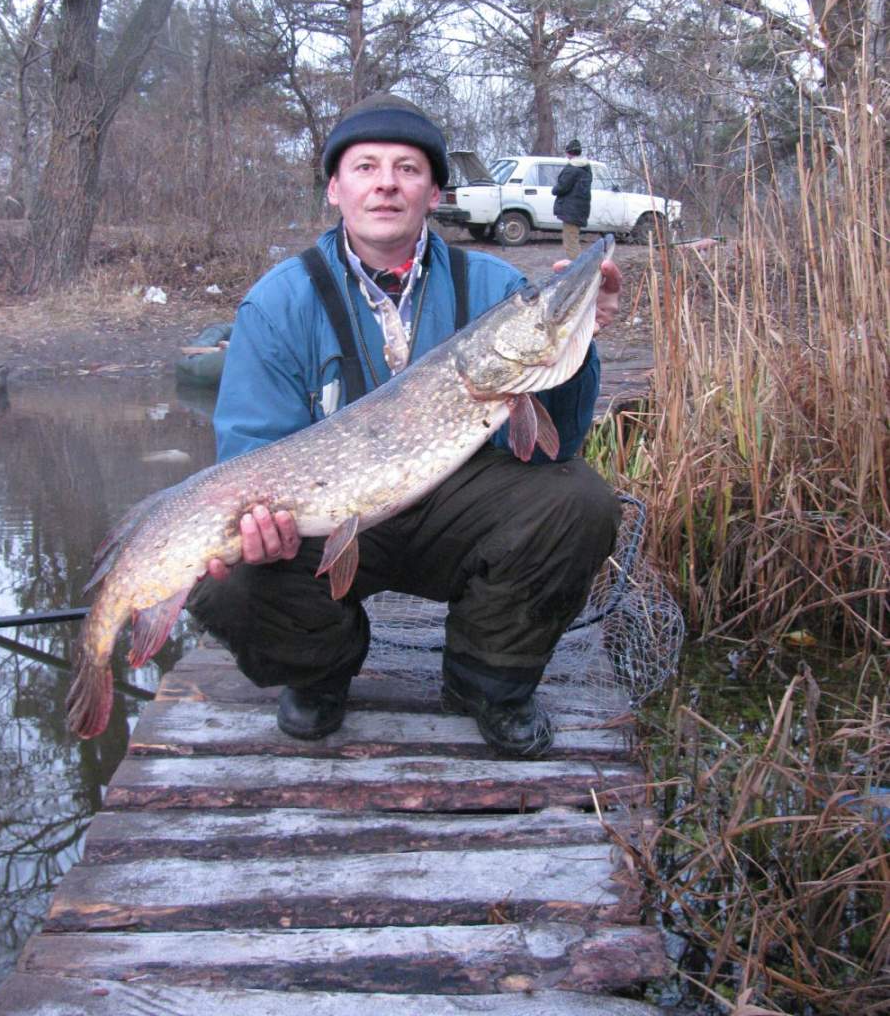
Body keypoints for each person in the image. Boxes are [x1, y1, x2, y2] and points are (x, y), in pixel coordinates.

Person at [187, 93, 623, 758]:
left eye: (408, 168)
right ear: (335, 188)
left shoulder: (499, 286)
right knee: (226, 576)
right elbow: (252, 447)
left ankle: (487, 683)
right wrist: (259, 529)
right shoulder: (277, 303)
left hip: (455, 513)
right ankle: (318, 673)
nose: (386, 183)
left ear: (434, 192)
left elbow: (548, 452)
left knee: (579, 502)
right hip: (326, 519)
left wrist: (579, 337)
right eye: (365, 167)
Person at [552, 138, 593, 261]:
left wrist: (554, 189)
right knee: (573, 239)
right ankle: (577, 264)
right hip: (580, 210)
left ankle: (577, 267)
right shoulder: (586, 168)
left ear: (568, 153)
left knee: (570, 242)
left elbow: (562, 187)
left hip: (570, 211)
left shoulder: (572, 169)